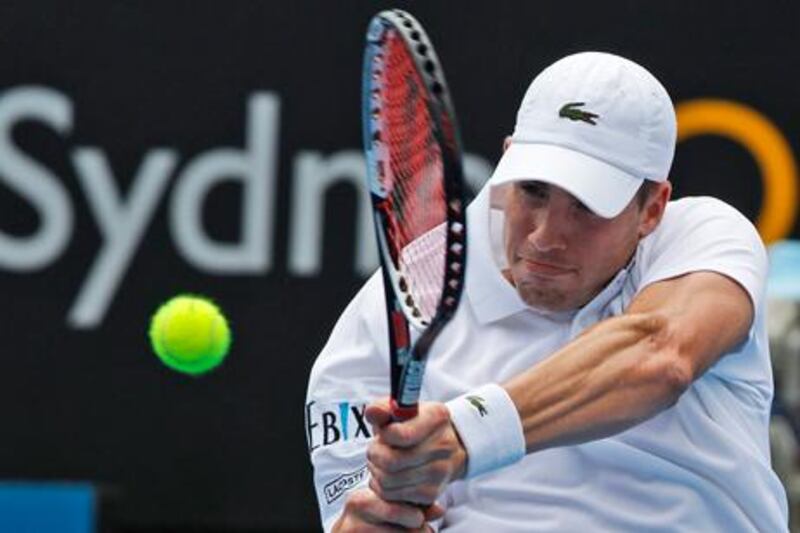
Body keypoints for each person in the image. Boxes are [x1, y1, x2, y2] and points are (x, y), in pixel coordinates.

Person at [305, 51, 789, 532]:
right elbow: (356, 514)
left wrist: (466, 432)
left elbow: (659, 354)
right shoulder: (390, 310)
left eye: (585, 206)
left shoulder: (702, 234)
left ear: (652, 209)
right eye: (533, 190)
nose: (545, 236)